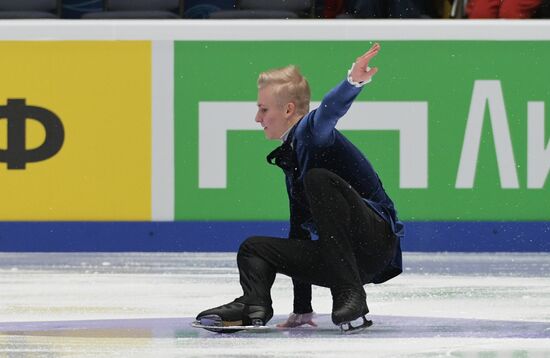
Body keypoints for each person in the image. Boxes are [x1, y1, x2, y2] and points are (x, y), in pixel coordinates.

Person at [195, 43, 403, 332]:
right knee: (253, 249)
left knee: (318, 179)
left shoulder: (310, 133)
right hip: (340, 255)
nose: (258, 118)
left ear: (289, 109)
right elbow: (300, 230)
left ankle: (350, 294)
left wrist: (352, 82)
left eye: (263, 109)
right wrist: (302, 308)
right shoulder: (292, 153)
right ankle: (255, 304)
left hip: (375, 244)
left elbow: (329, 112)